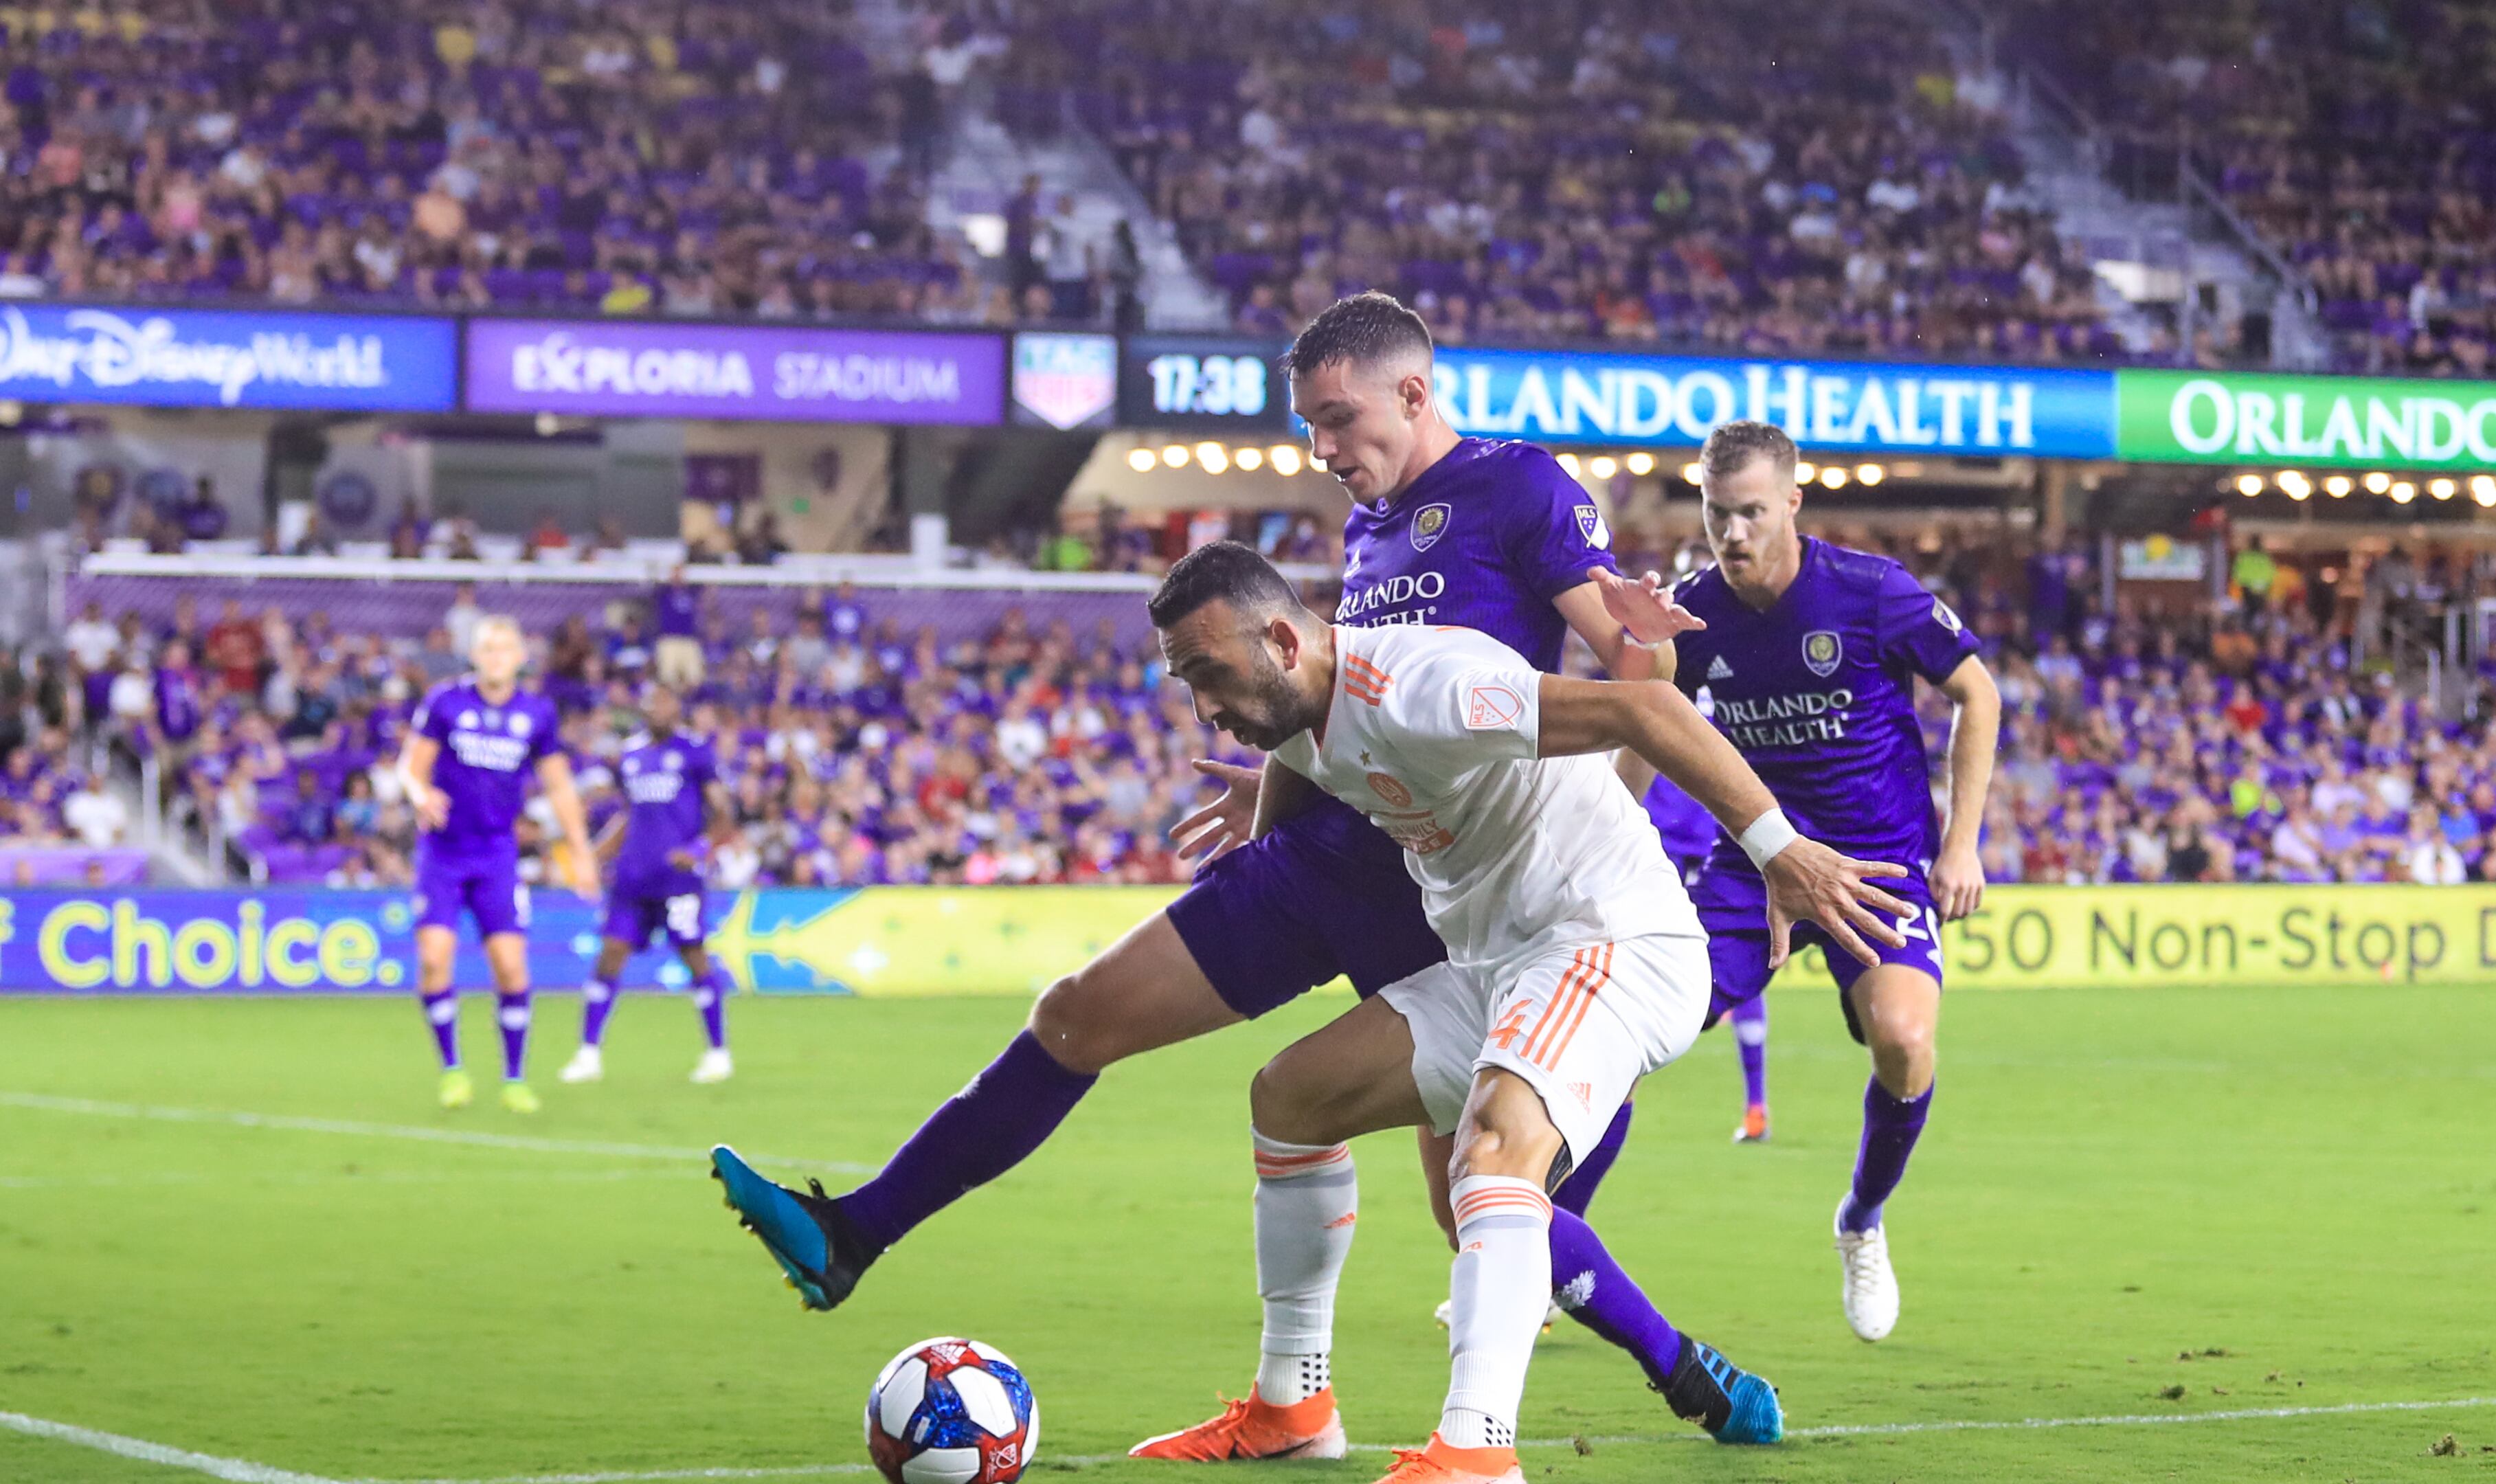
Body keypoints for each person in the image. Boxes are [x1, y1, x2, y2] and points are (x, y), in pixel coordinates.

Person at [705, 292, 1716, 1309]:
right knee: (1075, 1015)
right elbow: (1323, 694)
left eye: (1336, 420)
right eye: (1310, 426)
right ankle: (854, 1233)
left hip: (1435, 891)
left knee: (1479, 1211)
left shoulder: (1516, 487)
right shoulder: (1370, 530)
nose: (1321, 447)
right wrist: (1274, 801)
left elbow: (1637, 672)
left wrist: (1623, 771)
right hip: (1318, 857)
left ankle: (1692, 1372)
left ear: (1412, 392)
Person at [1125, 544, 1907, 1480]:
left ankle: (1478, 1451)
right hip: (1499, 962)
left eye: (1209, 674)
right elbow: (1310, 772)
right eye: (1188, 681)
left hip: (1614, 942)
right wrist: (1267, 833)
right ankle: (1294, 1406)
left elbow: (1647, 706)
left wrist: (1780, 848)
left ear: (1286, 640)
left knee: (1491, 1151)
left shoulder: (1424, 689)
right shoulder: (1297, 710)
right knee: (1292, 1100)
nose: (1204, 706)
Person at [1661, 420, 2001, 1342]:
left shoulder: (1871, 592)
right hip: (1753, 864)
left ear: (1794, 504)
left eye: (1752, 514)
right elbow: (1638, 724)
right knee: (1637, 1033)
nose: (1732, 533)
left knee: (1901, 1038)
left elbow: (1980, 691)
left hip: (1875, 865)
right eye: (1716, 513)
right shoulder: (1690, 617)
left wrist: (1961, 844)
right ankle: (1538, 1250)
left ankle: (1860, 1219)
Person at [400, 616, 599, 1113]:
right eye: (487, 647)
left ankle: (514, 1078)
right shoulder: (446, 702)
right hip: (443, 854)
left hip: (496, 856)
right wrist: (419, 794)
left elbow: (558, 786)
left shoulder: (537, 713)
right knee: (433, 958)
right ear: (475, 654)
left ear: (518, 656)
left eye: (504, 648)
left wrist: (580, 850)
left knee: (511, 968)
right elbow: (411, 767)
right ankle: (452, 1070)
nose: (495, 656)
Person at [559, 682, 737, 1086]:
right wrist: (596, 853)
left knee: (694, 957)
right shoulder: (631, 755)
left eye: (661, 701)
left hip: (678, 881)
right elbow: (631, 815)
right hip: (633, 878)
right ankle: (588, 1054)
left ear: (676, 707)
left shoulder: (695, 752)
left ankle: (717, 1052)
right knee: (609, 956)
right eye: (647, 703)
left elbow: (724, 812)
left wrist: (701, 847)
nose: (653, 709)